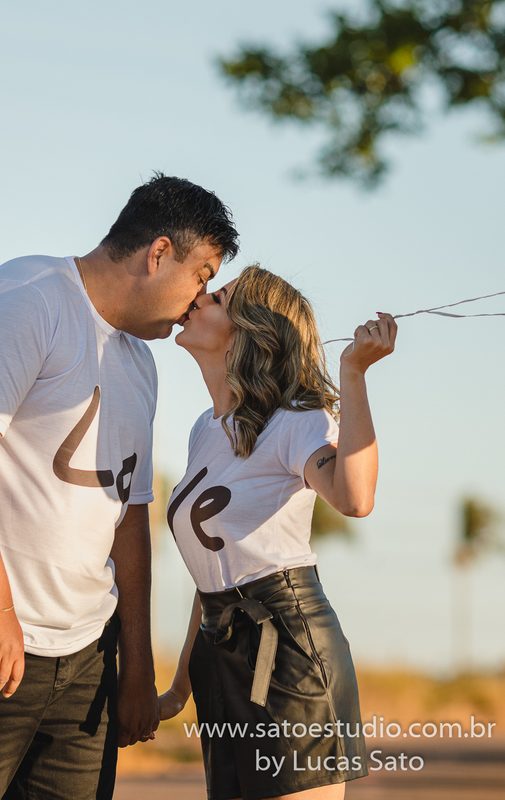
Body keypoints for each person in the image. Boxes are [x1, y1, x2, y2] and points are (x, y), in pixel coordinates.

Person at [0, 174, 239, 799]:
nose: (200, 298)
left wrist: (135, 663)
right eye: (202, 274)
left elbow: (129, 516)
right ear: (158, 253)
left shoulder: (141, 364)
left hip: (84, 664)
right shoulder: (26, 297)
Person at [157, 265, 396, 800]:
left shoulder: (296, 421)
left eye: (216, 296)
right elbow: (213, 574)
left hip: (286, 648)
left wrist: (353, 376)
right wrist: (180, 687)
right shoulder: (204, 430)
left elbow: (354, 496)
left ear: (247, 331)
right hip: (221, 655)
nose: (197, 297)